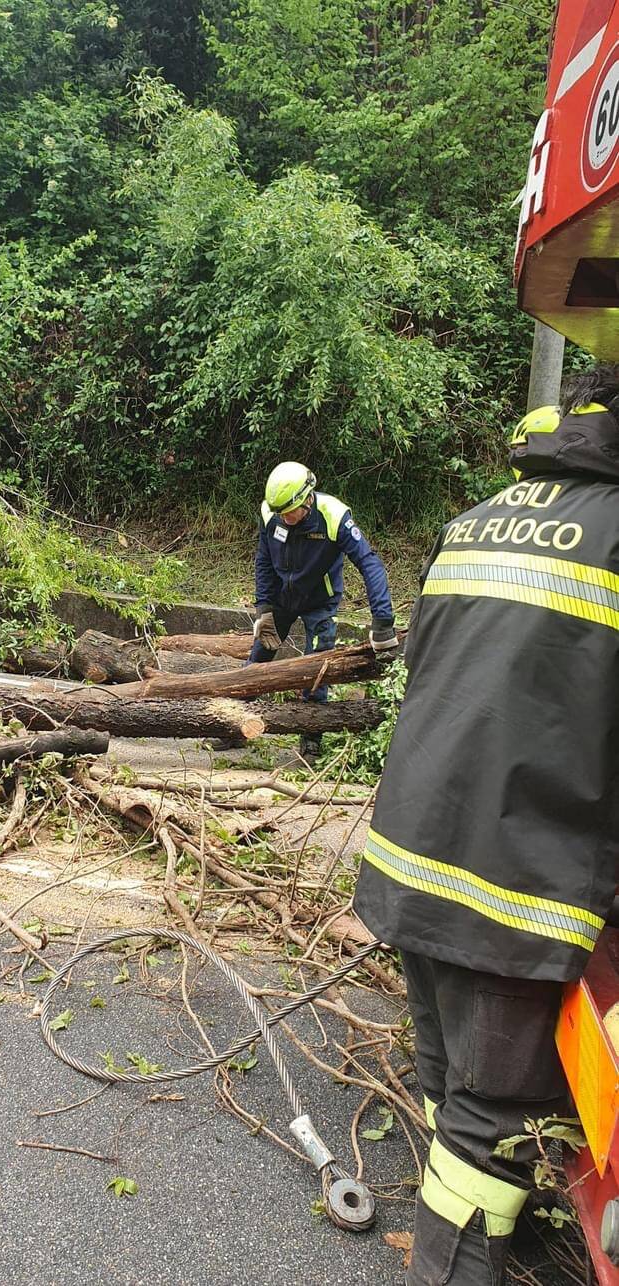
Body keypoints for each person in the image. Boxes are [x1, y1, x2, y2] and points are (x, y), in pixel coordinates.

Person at [353, 369, 619, 1285]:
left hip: (411, 856)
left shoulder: (482, 518)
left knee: (450, 1087)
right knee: (489, 1120)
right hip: (510, 887)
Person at [250, 462, 398, 743]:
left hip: (320, 602)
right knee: (257, 661)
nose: (284, 519)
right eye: (280, 514)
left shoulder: (334, 516)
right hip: (282, 597)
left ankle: (311, 739)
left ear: (307, 499)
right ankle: (233, 726)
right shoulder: (271, 512)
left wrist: (382, 620)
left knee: (317, 670)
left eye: (289, 514)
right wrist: (264, 607)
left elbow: (370, 564)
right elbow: (264, 560)